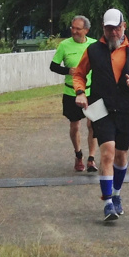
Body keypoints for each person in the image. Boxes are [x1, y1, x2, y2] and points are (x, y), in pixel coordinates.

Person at [71, 8, 129, 222]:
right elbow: (79, 74)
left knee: (121, 155)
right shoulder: (92, 50)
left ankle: (117, 194)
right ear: (103, 29)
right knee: (107, 152)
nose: (113, 33)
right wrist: (80, 93)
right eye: (109, 29)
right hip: (101, 108)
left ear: (124, 26)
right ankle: (108, 202)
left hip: (126, 109)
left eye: (117, 28)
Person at [49, 15, 97, 172]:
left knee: (93, 125)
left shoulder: (94, 45)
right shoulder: (64, 45)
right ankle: (78, 155)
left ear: (86, 30)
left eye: (78, 28)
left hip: (92, 91)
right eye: (72, 28)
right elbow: (53, 66)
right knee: (75, 125)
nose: (74, 31)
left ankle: (91, 159)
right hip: (71, 92)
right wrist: (67, 70)